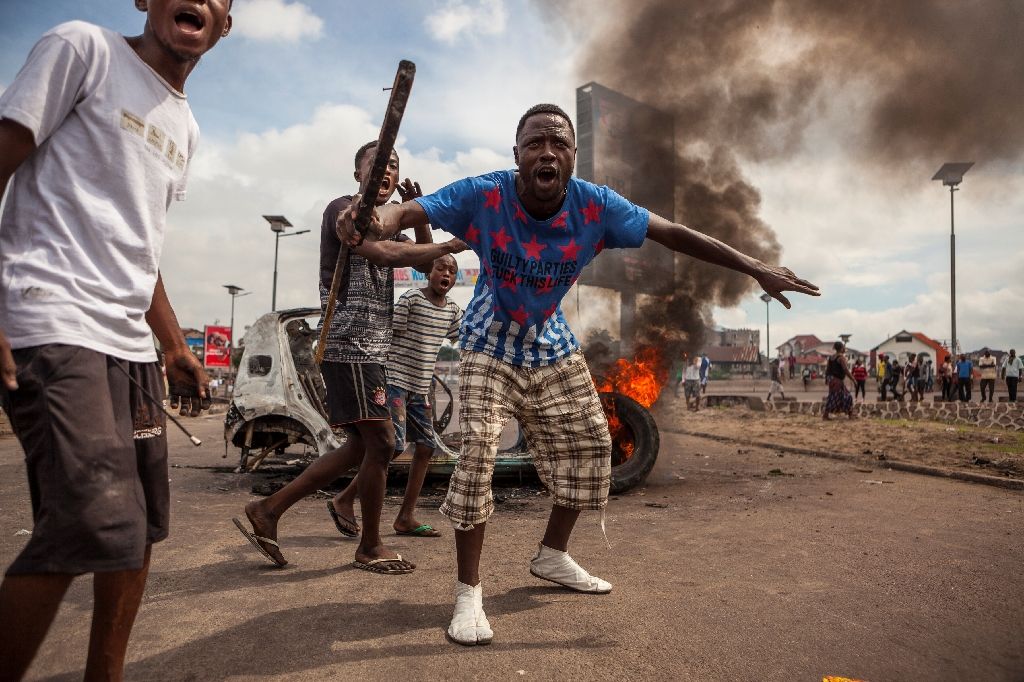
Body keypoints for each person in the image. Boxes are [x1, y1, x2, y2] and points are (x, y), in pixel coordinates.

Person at [336, 103, 818, 645]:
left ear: (572, 156)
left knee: (593, 445)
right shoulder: (485, 194)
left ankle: (552, 555)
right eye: (534, 143)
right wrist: (366, 220)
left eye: (558, 144)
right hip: (489, 339)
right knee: (477, 457)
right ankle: (468, 594)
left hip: (549, 340)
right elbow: (401, 216)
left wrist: (755, 267)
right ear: (516, 156)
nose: (546, 152)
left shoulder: (597, 206)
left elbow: (675, 233)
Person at [0, 3, 230, 679]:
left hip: (128, 346)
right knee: (91, 519)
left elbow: (138, 245)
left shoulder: (185, 125)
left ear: (225, 24)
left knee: (139, 528)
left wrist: (174, 345)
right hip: (49, 315)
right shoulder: (84, 49)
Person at [233, 141, 466, 574]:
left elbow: (417, 264)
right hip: (349, 343)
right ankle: (370, 545)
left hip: (372, 349)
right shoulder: (344, 211)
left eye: (393, 166)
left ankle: (270, 509)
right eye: (376, 164)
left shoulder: (388, 218)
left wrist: (420, 216)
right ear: (357, 173)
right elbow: (387, 254)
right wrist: (452, 243)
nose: (386, 172)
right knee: (382, 442)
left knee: (363, 444)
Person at [328, 254, 464, 538]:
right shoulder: (411, 299)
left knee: (426, 446)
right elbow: (388, 337)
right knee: (392, 447)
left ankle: (405, 517)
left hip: (419, 386)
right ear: (429, 271)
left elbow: (462, 337)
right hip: (395, 382)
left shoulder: (452, 309)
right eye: (441, 268)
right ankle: (345, 498)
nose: (446, 274)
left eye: (452, 271)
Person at [822, 341, 856, 419]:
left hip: (832, 379)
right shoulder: (841, 358)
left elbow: (828, 370)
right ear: (841, 348)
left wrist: (826, 379)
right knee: (843, 396)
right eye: (843, 347)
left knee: (836, 396)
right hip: (836, 381)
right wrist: (853, 379)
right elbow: (846, 370)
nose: (844, 348)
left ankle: (850, 414)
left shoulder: (831, 357)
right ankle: (826, 415)